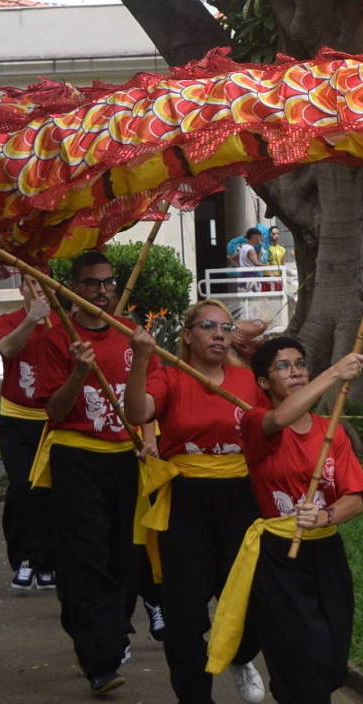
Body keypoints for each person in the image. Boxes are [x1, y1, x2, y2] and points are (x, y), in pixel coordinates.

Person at [202, 336, 363, 704]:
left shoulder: (331, 429)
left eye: (300, 364)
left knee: (331, 655)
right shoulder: (256, 422)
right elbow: (280, 418)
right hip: (279, 556)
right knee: (301, 651)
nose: (295, 372)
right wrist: (334, 373)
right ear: (264, 382)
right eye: (283, 366)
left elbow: (355, 499)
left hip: (326, 552)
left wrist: (325, 515)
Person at [124, 300, 271, 704]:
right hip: (186, 500)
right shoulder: (170, 376)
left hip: (241, 497)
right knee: (185, 614)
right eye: (209, 327)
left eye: (227, 327)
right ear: (188, 335)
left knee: (250, 596)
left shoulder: (247, 380)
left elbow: (272, 427)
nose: (219, 334)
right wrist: (141, 360)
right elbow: (136, 411)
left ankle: (240, 654)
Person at [26, 250, 146, 696]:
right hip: (77, 458)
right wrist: (78, 372)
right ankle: (100, 661)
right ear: (73, 288)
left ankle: (102, 627)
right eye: (92, 283)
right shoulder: (56, 338)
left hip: (127, 459)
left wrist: (150, 438)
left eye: (108, 282)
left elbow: (149, 399)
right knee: (86, 557)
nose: (102, 290)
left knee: (126, 558)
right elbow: (54, 412)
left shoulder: (130, 333)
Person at [0, 274, 59, 592]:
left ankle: (48, 561)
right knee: (22, 488)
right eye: (32, 283)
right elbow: (7, 349)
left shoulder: (64, 323)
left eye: (43, 283)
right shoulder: (7, 321)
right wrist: (32, 319)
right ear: (21, 289)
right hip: (16, 419)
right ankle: (24, 558)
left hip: (54, 420)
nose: (38, 289)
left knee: (50, 491)